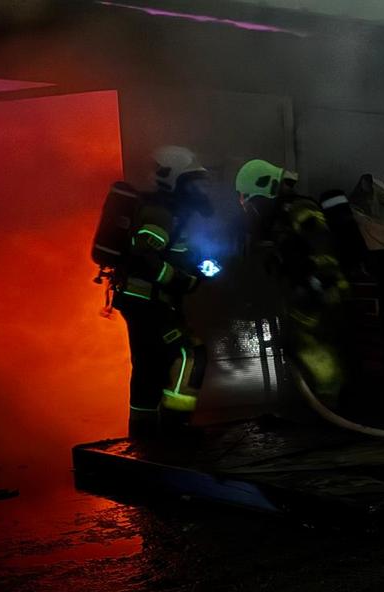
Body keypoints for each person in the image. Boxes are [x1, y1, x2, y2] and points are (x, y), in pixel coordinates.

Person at [96, 146, 211, 438]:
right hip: (148, 304)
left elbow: (172, 252)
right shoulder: (160, 212)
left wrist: (197, 264)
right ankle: (174, 428)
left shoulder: (171, 212)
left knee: (149, 370)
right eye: (191, 181)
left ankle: (144, 436)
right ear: (171, 179)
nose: (198, 188)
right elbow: (145, 256)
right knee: (189, 354)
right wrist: (181, 281)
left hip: (146, 304)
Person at [234, 159, 350, 398]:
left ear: (265, 188)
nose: (250, 206)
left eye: (252, 199)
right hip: (304, 290)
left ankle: (330, 401)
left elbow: (321, 244)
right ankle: (317, 402)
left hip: (322, 289)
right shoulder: (278, 216)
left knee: (313, 345)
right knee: (298, 343)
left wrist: (323, 282)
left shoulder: (299, 209)